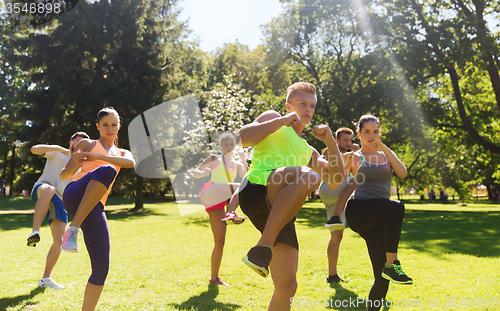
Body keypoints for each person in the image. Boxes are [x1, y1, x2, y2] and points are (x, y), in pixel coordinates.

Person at [237, 82, 345, 310]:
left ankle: (262, 251)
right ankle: (264, 245)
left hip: (280, 211)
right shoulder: (274, 118)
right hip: (258, 188)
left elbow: (337, 179)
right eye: (302, 104)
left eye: (312, 106)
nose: (308, 109)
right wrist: (282, 121)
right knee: (309, 176)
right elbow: (241, 139)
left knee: (287, 287)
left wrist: (330, 141)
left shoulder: (309, 150)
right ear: (288, 106)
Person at [60, 107, 135, 311]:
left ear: (119, 126)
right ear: (98, 126)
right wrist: (76, 163)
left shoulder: (122, 153)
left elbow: (131, 163)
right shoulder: (88, 143)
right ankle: (72, 230)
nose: (110, 129)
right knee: (108, 169)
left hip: (95, 207)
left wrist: (100, 159)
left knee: (101, 267)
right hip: (75, 193)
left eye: (113, 125)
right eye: (105, 125)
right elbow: (64, 175)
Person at [338, 114, 412, 311]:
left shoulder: (386, 154)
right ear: (360, 134)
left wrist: (384, 149)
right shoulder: (354, 156)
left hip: (379, 218)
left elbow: (403, 173)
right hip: (359, 211)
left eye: (375, 131)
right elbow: (336, 180)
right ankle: (393, 263)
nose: (372, 136)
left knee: (382, 279)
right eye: (367, 132)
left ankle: (388, 271)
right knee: (396, 206)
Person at [27, 132, 89, 290]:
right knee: (49, 189)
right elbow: (34, 149)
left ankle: (45, 279)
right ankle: (35, 232)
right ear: (71, 144)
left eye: (84, 145)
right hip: (43, 188)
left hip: (60, 200)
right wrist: (57, 147)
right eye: (78, 143)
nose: (81, 147)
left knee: (59, 240)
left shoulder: (81, 166)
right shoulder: (58, 152)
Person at [193, 133, 248, 286]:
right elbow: (196, 172)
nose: (229, 147)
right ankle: (232, 211)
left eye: (232, 144)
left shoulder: (237, 164)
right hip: (211, 191)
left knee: (220, 241)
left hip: (219, 201)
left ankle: (214, 278)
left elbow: (247, 176)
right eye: (226, 144)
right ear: (221, 146)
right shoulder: (214, 159)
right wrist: (203, 173)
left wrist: (243, 159)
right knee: (241, 187)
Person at [318, 127, 359, 284]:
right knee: (357, 179)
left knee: (337, 236)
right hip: (329, 188)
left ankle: (332, 275)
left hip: (339, 194)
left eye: (350, 140)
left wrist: (353, 150)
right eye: (345, 140)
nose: (349, 143)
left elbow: (357, 150)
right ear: (336, 141)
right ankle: (336, 215)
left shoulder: (351, 151)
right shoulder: (329, 151)